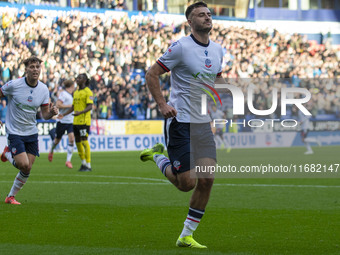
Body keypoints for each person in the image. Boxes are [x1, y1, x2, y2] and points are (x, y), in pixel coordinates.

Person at [140, 2, 223, 248]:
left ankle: (186, 235)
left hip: (202, 123)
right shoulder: (181, 47)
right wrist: (162, 104)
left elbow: (216, 83)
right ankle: (158, 156)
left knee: (207, 179)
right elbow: (151, 73)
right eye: (201, 14)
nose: (207, 17)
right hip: (180, 121)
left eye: (208, 14)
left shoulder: (218, 50)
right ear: (190, 21)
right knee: (187, 183)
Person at [0, 56, 59, 205]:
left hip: (31, 132)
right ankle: (7, 152)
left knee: (28, 168)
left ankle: (10, 197)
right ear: (25, 69)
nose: (35, 70)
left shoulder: (44, 89)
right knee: (24, 164)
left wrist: (51, 113)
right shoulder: (14, 85)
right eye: (32, 67)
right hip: (14, 131)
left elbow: (45, 114)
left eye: (37, 67)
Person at [59, 74, 93, 171]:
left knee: (84, 141)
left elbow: (90, 106)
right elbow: (73, 107)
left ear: (85, 80)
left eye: (79, 78)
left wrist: (80, 112)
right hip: (76, 121)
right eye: (77, 78)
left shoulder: (88, 92)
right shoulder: (76, 92)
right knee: (77, 143)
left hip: (84, 121)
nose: (77, 79)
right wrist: (64, 115)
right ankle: (83, 163)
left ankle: (88, 164)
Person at [48, 79, 75, 168]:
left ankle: (68, 161)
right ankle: (51, 151)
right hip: (62, 121)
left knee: (71, 139)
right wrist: (69, 106)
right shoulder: (64, 94)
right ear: (71, 86)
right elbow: (58, 104)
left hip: (70, 121)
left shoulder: (70, 95)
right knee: (57, 140)